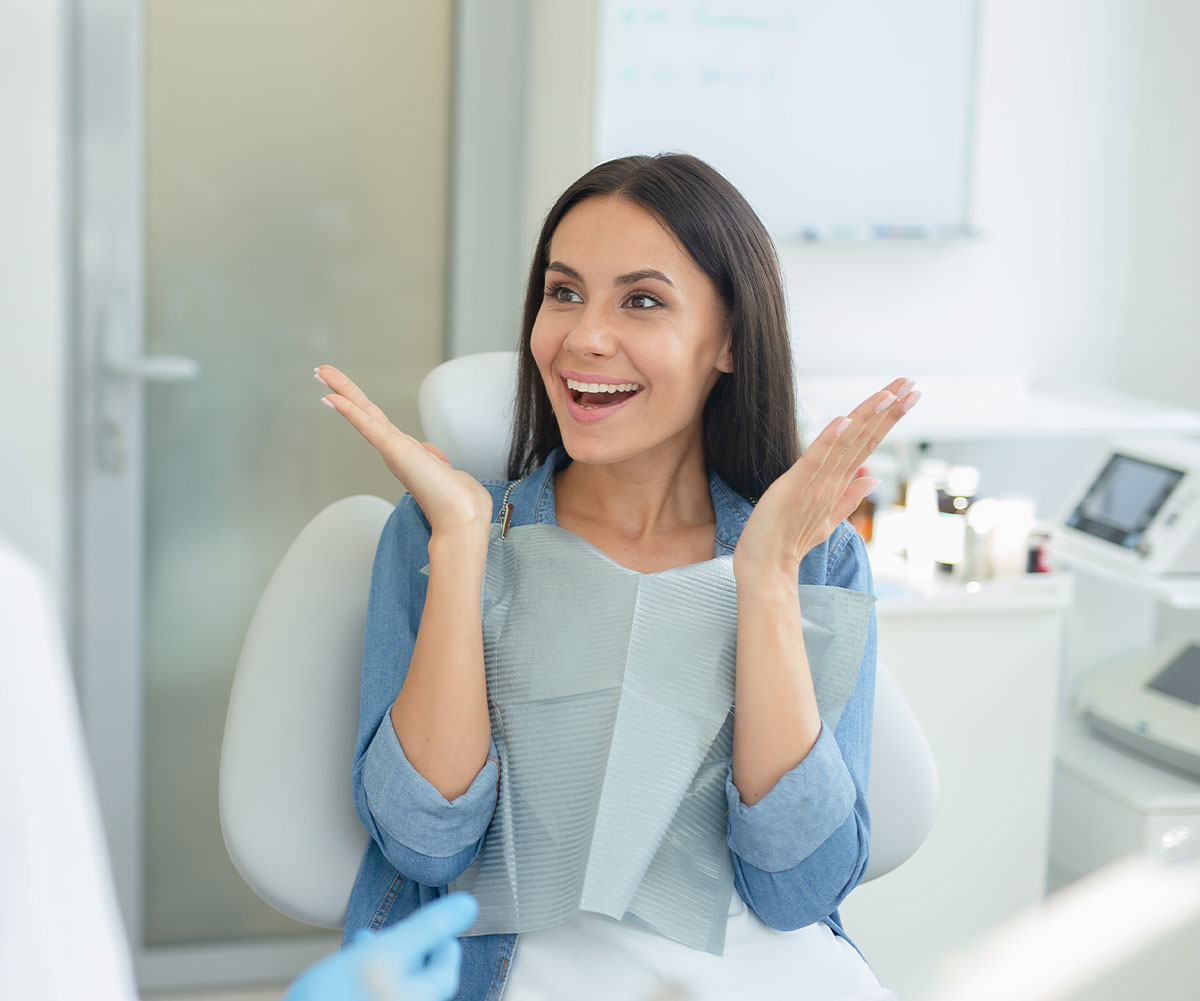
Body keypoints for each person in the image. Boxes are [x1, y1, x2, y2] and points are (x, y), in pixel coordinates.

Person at [318, 153, 919, 1001]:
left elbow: (798, 889)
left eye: (642, 300)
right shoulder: (442, 526)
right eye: (563, 293)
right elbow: (426, 843)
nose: (583, 337)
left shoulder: (816, 552)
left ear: (732, 341)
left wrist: (768, 579)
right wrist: (461, 547)